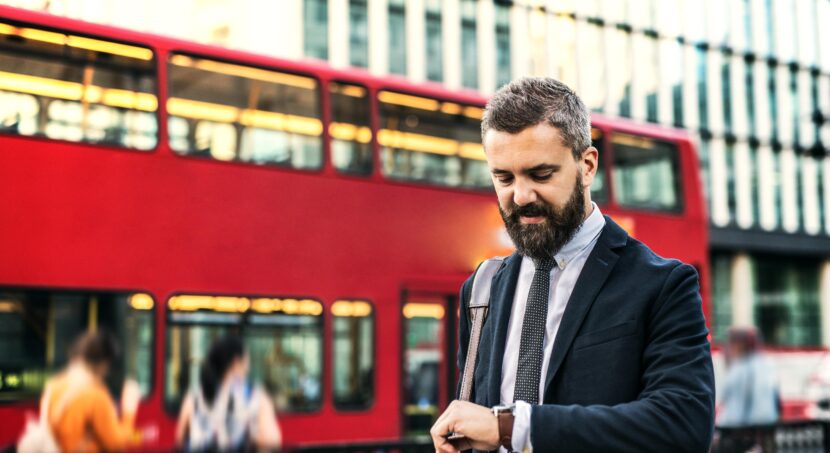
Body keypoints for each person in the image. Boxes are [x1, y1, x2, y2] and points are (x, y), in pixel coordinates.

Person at [429, 77, 715, 452]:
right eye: (504, 177)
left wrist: (512, 427)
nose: (521, 195)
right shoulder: (482, 287)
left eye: (541, 174)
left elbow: (683, 423)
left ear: (587, 166)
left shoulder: (663, 284)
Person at [176, 335, 282, 452]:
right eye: (247, 360)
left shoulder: (194, 396)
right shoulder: (255, 397)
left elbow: (179, 440)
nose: (248, 367)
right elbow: (272, 441)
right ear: (236, 362)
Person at [41, 330, 141, 452]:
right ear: (103, 363)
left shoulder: (55, 386)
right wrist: (129, 410)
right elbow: (115, 443)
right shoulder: (95, 395)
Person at [714, 327, 779, 453]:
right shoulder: (765, 363)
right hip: (763, 425)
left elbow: (725, 395)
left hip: (738, 427)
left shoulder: (741, 367)